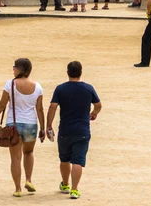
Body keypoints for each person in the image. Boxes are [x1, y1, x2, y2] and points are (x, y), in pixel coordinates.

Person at [0, 58, 45, 198]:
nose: (13, 69)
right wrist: (43, 128)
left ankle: (18, 188)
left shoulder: (10, 84)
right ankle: (29, 180)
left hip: (13, 125)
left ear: (19, 69)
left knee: (15, 158)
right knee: (29, 153)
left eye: (14, 67)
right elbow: (40, 109)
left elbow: (2, 104)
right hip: (31, 123)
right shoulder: (38, 87)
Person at [47, 61, 102, 200]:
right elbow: (98, 104)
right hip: (82, 130)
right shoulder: (88, 88)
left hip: (65, 130)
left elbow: (53, 107)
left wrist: (48, 125)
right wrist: (94, 113)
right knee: (78, 161)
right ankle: (75, 189)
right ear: (81, 73)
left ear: (67, 73)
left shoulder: (60, 89)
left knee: (64, 159)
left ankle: (65, 184)